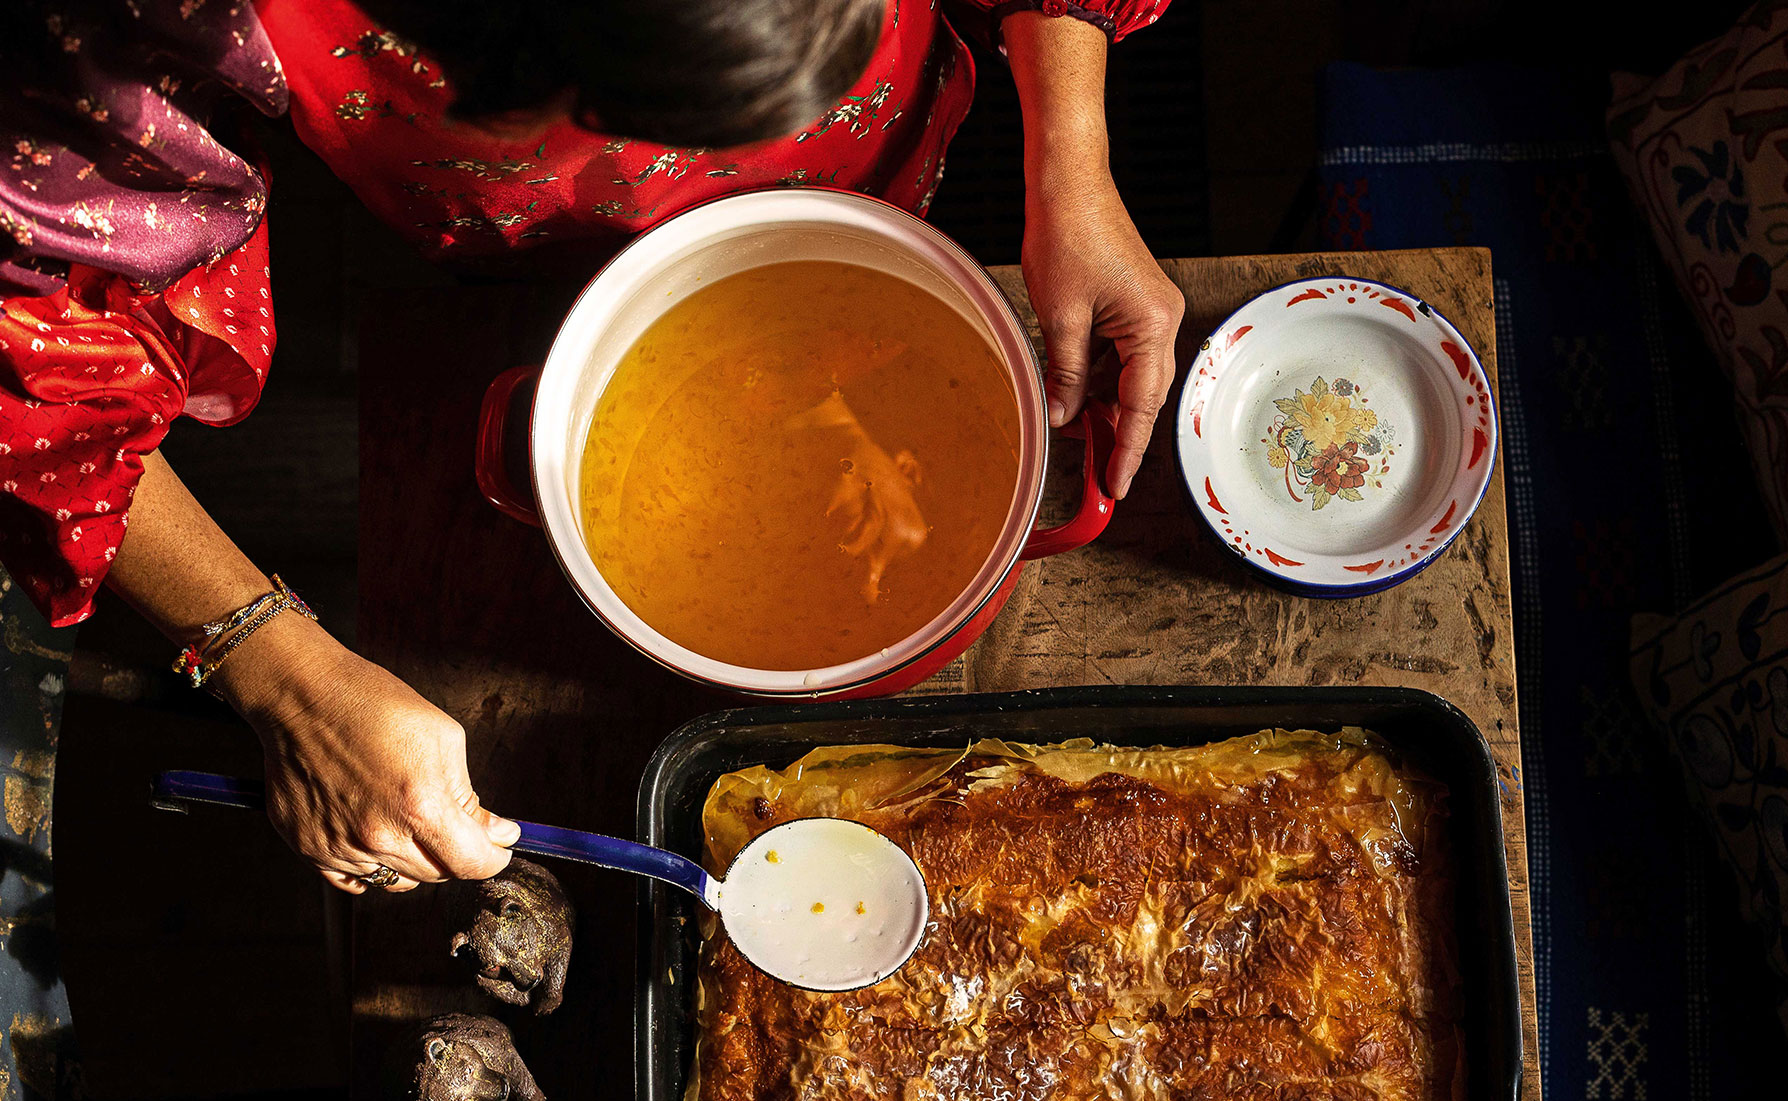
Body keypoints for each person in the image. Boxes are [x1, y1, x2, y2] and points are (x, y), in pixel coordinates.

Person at [0, 0, 1184, 894]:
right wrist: (279, 672)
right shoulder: (146, 13)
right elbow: (35, 361)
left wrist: (1070, 160)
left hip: (870, 197)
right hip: (530, 253)